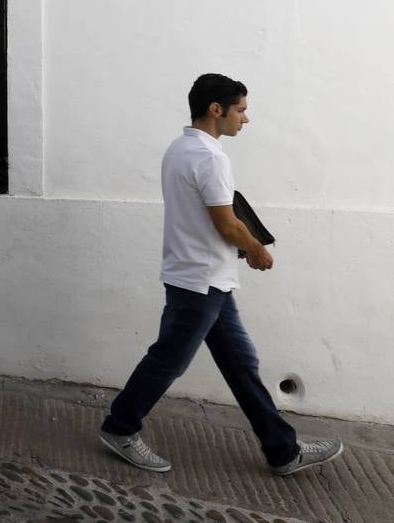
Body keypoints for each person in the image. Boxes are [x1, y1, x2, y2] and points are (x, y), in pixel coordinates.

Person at [99, 74, 343, 476]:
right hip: (201, 281)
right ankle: (120, 428)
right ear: (217, 109)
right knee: (168, 361)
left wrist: (242, 246)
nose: (245, 119)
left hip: (203, 277)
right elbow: (226, 224)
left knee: (241, 366)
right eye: (241, 110)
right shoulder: (211, 158)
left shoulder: (178, 149)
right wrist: (256, 249)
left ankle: (283, 450)